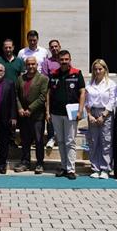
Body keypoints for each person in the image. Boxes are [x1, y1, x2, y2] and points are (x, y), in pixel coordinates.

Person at [46, 50, 86, 179]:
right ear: (58, 60)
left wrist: (80, 110)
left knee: (70, 141)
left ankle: (71, 169)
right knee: (61, 141)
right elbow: (48, 94)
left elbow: (82, 93)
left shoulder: (77, 73)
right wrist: (47, 112)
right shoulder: (54, 74)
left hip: (71, 114)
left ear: (70, 59)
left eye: (66, 59)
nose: (64, 62)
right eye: (62, 59)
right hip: (56, 113)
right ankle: (64, 167)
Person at [14, 57, 48, 174]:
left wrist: (30, 109)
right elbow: (16, 95)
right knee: (25, 140)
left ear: (37, 65)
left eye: (33, 64)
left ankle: (39, 163)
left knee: (38, 140)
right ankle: (25, 162)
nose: (31, 66)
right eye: (28, 64)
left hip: (37, 116)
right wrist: (19, 108)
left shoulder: (43, 79)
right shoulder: (20, 78)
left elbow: (43, 97)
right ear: (26, 65)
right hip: (23, 115)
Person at [85, 59, 117, 179]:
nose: (98, 71)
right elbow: (87, 101)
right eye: (95, 69)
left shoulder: (111, 84)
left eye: (100, 69)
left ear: (105, 69)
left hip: (106, 113)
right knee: (93, 141)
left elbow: (112, 100)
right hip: (92, 112)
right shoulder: (89, 84)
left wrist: (104, 115)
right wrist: (89, 115)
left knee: (106, 141)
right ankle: (95, 168)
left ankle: (105, 169)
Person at [41, 39, 62, 150]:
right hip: (52, 93)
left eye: (56, 46)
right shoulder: (47, 62)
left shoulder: (64, 60)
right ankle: (50, 137)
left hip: (63, 93)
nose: (54, 48)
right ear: (49, 49)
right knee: (50, 116)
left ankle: (60, 137)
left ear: (59, 46)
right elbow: (45, 79)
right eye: (52, 47)